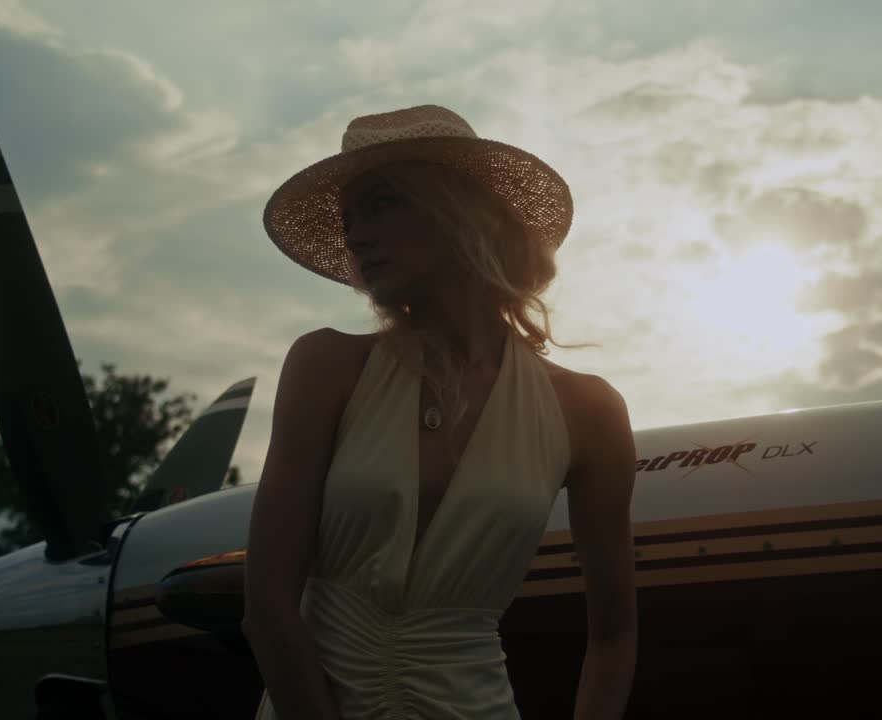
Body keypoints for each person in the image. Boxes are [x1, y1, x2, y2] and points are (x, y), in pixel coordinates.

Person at [242, 104, 637, 719]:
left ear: (457, 213)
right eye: (349, 219)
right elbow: (266, 607)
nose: (356, 236)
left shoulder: (587, 411)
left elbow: (614, 633)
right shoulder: (327, 367)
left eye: (380, 204)